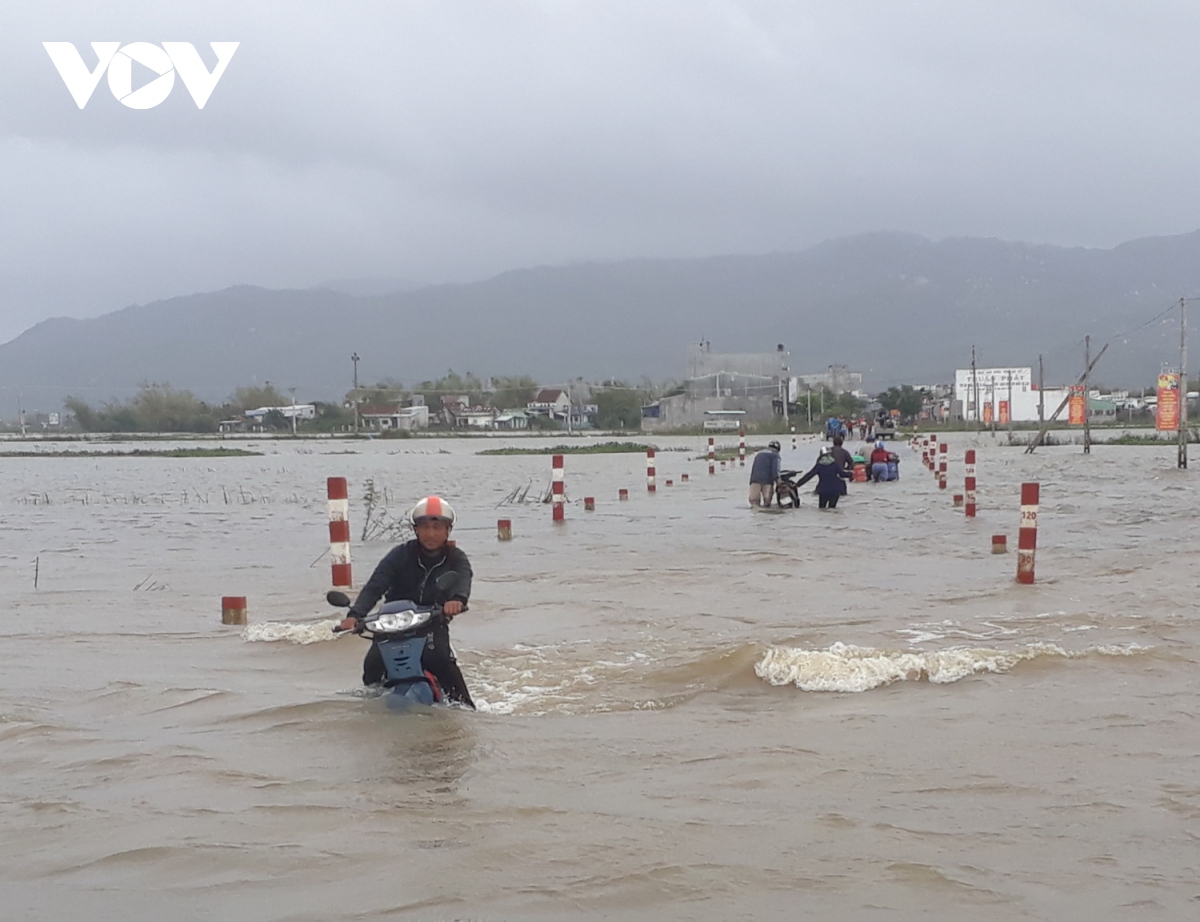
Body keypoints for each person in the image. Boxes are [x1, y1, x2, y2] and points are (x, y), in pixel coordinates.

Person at [341, 495, 476, 708]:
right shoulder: (400, 554)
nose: (430, 533)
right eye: (424, 527)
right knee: (372, 665)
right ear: (416, 529)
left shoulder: (455, 557)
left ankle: (465, 710)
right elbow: (376, 584)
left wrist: (457, 600)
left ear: (447, 530)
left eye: (437, 527)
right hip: (391, 623)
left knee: (441, 661)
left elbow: (463, 579)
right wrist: (355, 615)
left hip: (431, 622)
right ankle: (372, 710)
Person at [749, 440, 782, 507]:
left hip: (755, 479)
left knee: (754, 502)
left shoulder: (759, 454)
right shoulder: (775, 455)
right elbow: (775, 470)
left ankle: (755, 515)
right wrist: (779, 482)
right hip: (767, 481)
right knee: (767, 501)